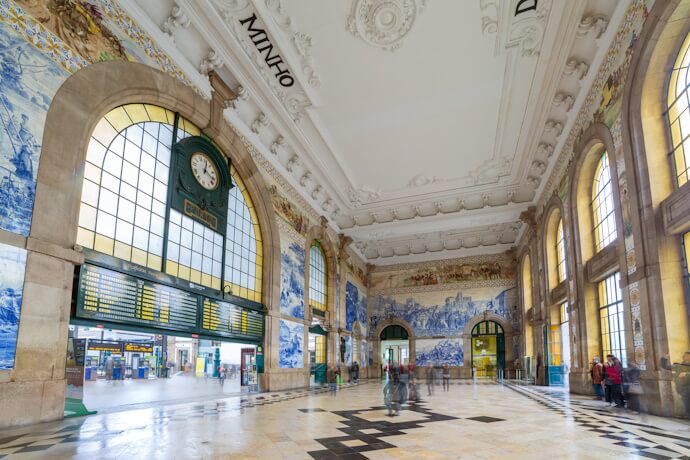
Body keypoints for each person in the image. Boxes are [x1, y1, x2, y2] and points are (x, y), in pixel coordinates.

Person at [660, 352, 690, 418]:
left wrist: (687, 374)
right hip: (683, 390)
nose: (684, 356)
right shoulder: (680, 365)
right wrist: (664, 358)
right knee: (688, 407)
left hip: (687, 389)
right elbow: (665, 366)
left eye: (686, 355)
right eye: (684, 355)